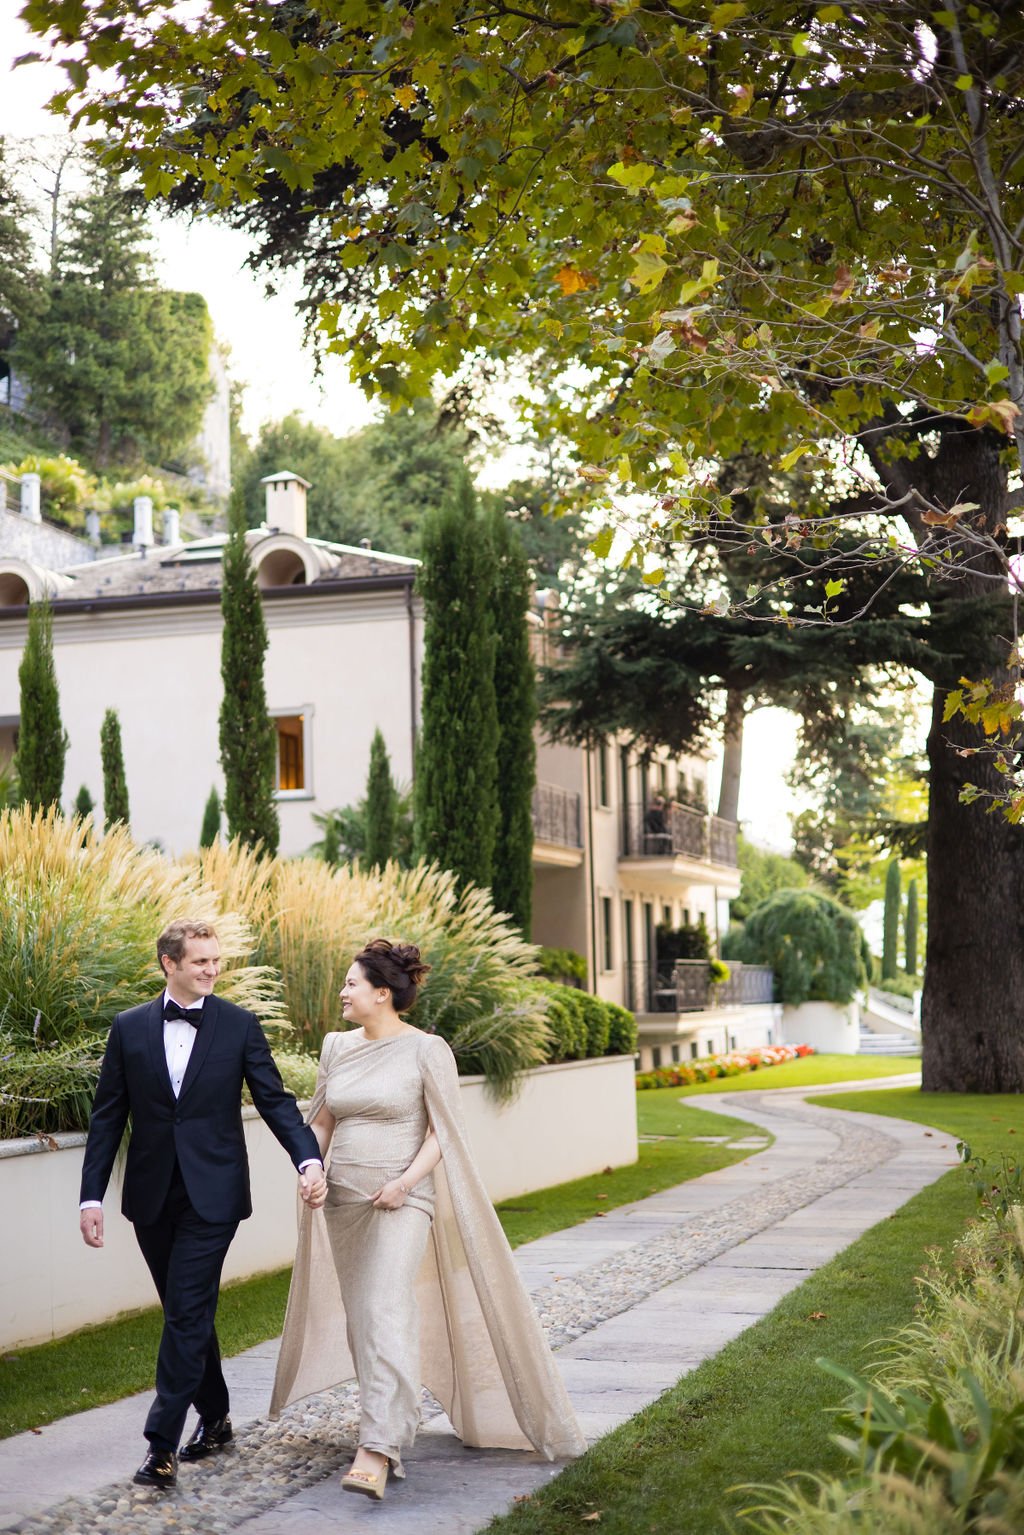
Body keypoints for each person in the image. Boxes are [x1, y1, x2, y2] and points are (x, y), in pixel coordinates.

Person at [270, 938, 586, 1501]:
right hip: (344, 1201)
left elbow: (443, 1132)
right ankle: (393, 1416)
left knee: (386, 1305)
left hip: (403, 1197)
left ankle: (378, 1446)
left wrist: (406, 1183)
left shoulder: (427, 1050)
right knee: (363, 1316)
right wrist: (310, 1168)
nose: (342, 992)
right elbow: (320, 1123)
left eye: (351, 983)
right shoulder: (337, 1047)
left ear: (383, 993)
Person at [79, 918, 327, 1491]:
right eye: (200, 962)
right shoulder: (129, 1027)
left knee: (188, 1310)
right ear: (169, 963)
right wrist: (91, 1196)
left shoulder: (239, 1026)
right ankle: (215, 1418)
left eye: (216, 960)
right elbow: (107, 1116)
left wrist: (307, 1159)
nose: (213, 970)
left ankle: (160, 1445)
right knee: (184, 1314)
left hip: (214, 1197)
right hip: (150, 1195)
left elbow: (275, 1099)